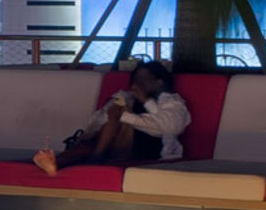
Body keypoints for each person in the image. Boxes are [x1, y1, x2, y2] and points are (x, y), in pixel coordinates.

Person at [34, 61, 188, 175]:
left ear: (159, 82)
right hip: (113, 144)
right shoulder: (126, 97)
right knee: (88, 145)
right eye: (136, 79)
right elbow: (94, 123)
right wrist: (110, 108)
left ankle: (95, 157)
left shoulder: (171, 102)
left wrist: (140, 105)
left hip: (148, 148)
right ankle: (55, 164)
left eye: (144, 79)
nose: (138, 83)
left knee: (119, 114)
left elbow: (168, 128)